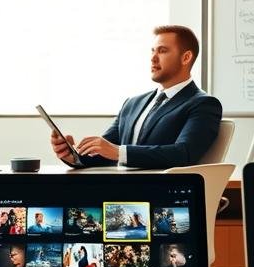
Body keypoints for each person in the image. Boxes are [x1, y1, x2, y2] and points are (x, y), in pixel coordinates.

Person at [50, 26, 222, 169]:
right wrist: (71, 155)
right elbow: (104, 152)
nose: (153, 58)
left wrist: (119, 152)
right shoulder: (133, 104)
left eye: (162, 51)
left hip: (159, 195)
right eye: (152, 51)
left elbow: (183, 154)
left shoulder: (203, 104)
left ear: (186, 57)